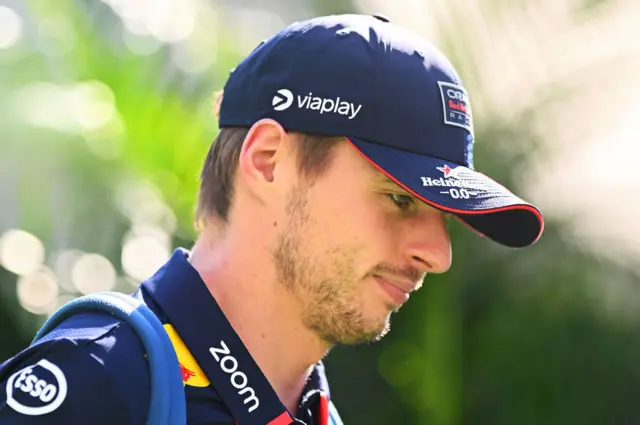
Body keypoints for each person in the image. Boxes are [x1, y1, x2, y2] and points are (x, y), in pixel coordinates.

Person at [0, 12, 544, 425]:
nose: (439, 254)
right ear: (268, 161)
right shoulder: (97, 385)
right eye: (399, 199)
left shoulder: (315, 413)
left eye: (443, 216)